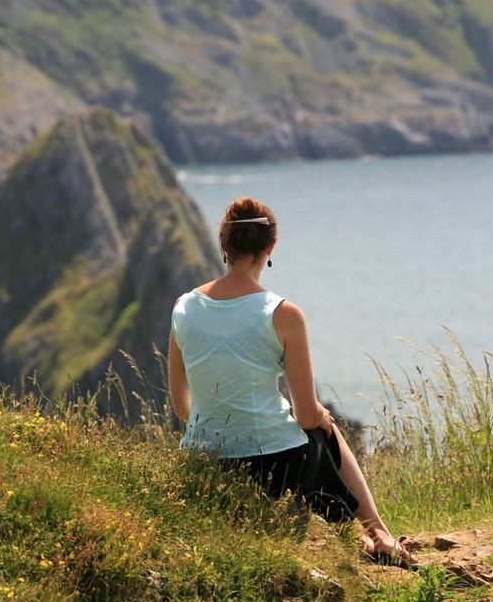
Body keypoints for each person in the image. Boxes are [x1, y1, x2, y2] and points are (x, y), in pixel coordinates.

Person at [168, 196, 419, 569]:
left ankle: (359, 534)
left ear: (224, 243)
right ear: (271, 247)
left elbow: (182, 409)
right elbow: (305, 416)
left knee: (313, 428)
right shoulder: (283, 313)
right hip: (274, 468)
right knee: (323, 427)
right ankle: (379, 534)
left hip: (205, 464)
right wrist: (319, 415)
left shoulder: (184, 307)